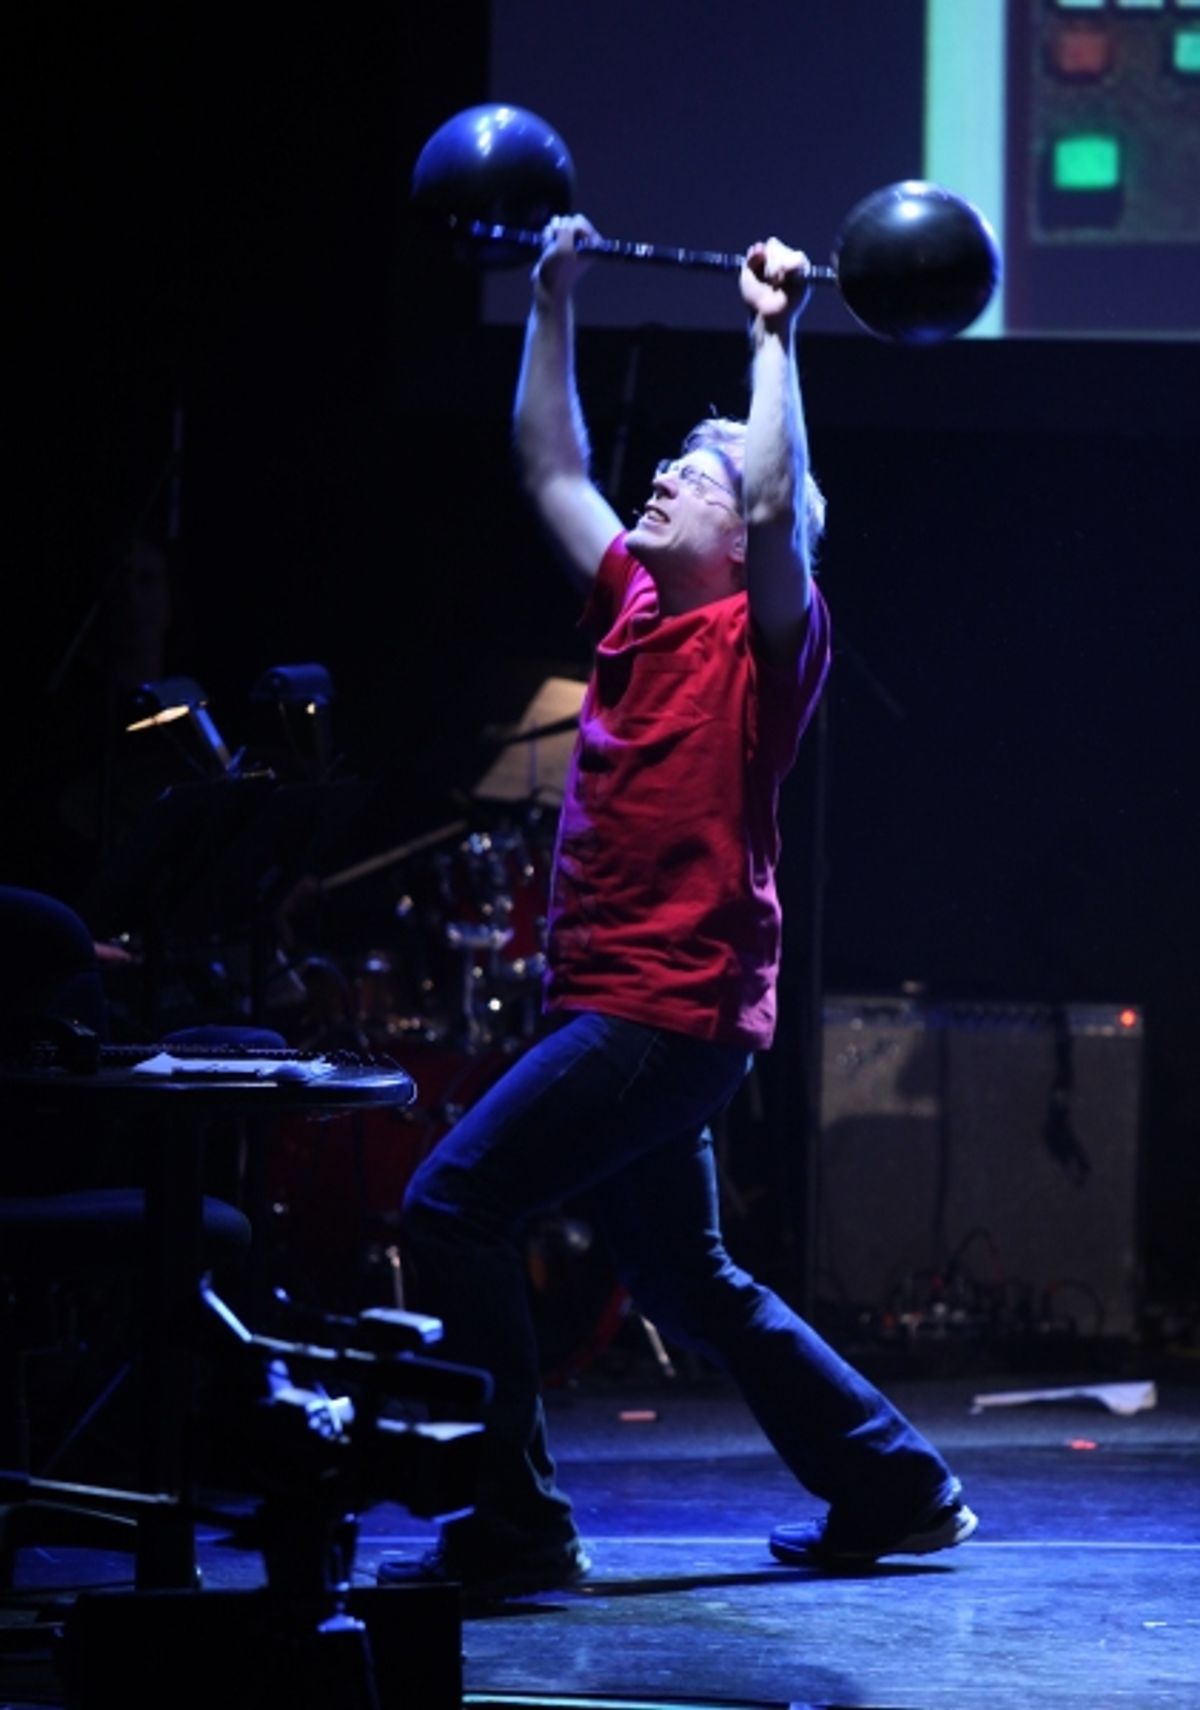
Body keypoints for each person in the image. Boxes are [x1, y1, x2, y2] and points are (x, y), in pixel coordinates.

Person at [383, 214, 977, 1598]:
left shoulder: (762, 636)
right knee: (685, 1274)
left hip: (668, 1009)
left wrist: (773, 336)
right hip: (625, 1003)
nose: (664, 476)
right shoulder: (639, 604)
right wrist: (549, 300)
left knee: (452, 1206)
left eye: (694, 472)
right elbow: (549, 463)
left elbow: (777, 508)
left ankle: (518, 1518)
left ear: (749, 525)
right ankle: (898, 1483)